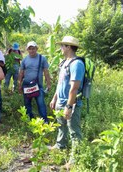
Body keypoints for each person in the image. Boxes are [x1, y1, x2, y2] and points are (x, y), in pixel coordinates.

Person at [49, 36, 85, 169]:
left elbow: (74, 87)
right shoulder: (64, 62)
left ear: (68, 47)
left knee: (74, 132)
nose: (60, 48)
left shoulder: (77, 64)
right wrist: (54, 98)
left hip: (71, 103)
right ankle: (60, 146)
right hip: (61, 101)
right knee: (61, 126)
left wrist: (69, 106)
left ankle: (75, 160)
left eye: (62, 45)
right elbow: (60, 83)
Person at [18, 41, 51, 123]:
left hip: (38, 85)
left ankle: (45, 120)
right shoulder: (25, 60)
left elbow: (46, 72)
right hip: (26, 85)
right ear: (27, 50)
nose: (32, 50)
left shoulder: (42, 58)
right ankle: (30, 120)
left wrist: (48, 84)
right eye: (30, 49)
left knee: (41, 103)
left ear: (36, 49)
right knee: (27, 104)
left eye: (33, 48)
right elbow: (21, 73)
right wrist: (19, 85)